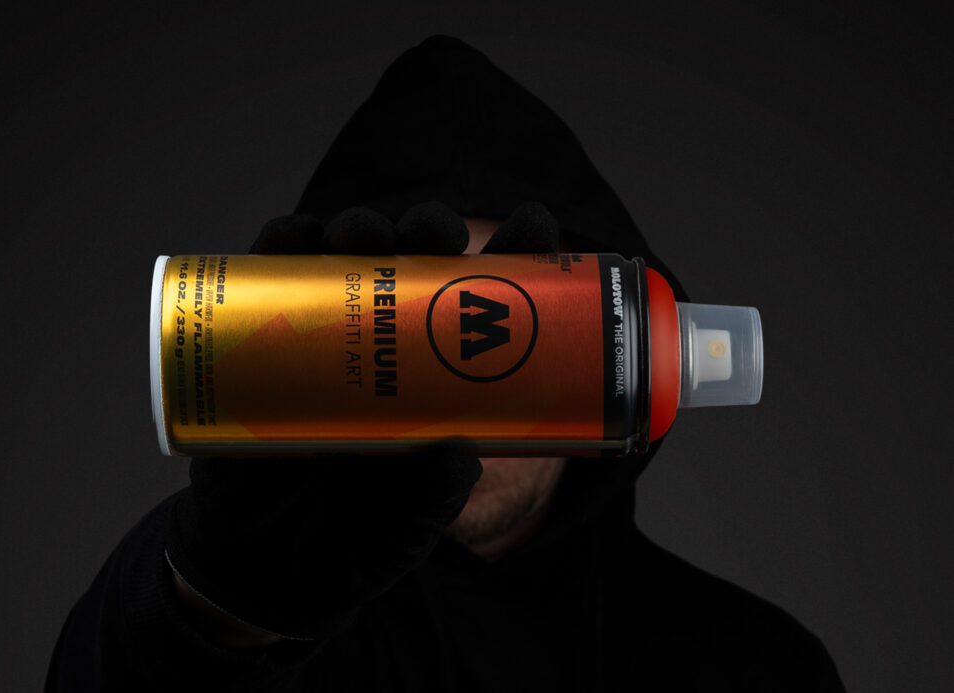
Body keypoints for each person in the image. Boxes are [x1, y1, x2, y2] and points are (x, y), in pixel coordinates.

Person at [47, 35, 845, 691]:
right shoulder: (254, 623)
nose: (469, 382)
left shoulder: (758, 667)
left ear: (603, 339)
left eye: (515, 316)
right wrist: (217, 606)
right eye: (425, 323)